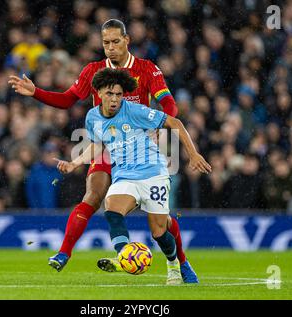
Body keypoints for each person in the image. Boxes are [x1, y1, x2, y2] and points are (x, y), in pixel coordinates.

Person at [8, 19, 193, 282]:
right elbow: (68, 99)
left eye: (116, 42)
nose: (111, 48)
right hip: (106, 144)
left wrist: (158, 127)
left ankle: (180, 262)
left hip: (138, 149)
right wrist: (36, 92)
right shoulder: (93, 71)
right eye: (106, 43)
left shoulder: (146, 69)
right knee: (93, 196)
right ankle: (64, 253)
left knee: (160, 222)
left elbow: (169, 105)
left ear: (127, 40)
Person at [52, 68, 211, 284]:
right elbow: (98, 144)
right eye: (110, 94)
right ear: (98, 93)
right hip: (125, 176)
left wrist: (193, 154)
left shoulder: (134, 111)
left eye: (119, 94)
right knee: (112, 209)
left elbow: (176, 123)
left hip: (153, 173)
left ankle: (175, 264)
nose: (115, 99)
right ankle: (123, 256)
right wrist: (74, 163)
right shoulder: (92, 117)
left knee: (159, 232)